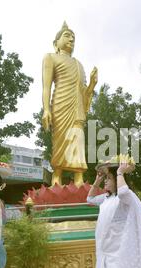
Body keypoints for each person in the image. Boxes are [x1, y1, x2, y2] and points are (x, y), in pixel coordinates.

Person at [42, 22, 98, 186]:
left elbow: (83, 93)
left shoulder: (78, 64)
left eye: (73, 37)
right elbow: (46, 87)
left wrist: (92, 84)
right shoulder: (50, 57)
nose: (71, 39)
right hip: (60, 103)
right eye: (67, 36)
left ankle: (78, 177)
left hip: (77, 106)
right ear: (56, 43)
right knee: (60, 140)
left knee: (77, 139)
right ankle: (57, 176)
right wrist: (46, 109)